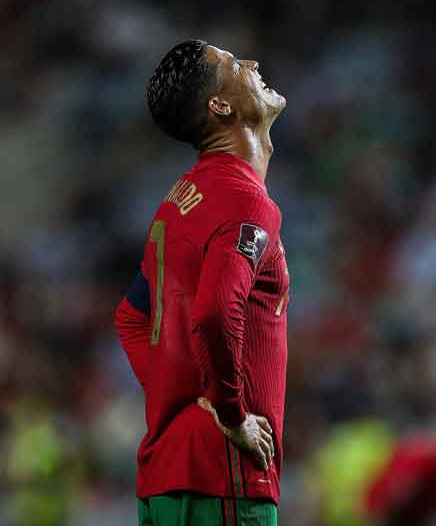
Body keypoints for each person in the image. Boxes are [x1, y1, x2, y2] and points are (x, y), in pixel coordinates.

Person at [115, 39, 289, 526]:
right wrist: (229, 414)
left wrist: (180, 394)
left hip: (169, 475)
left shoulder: (180, 201)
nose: (253, 63)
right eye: (235, 65)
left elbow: (130, 316)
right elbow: (216, 311)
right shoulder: (244, 202)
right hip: (223, 477)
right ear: (222, 106)